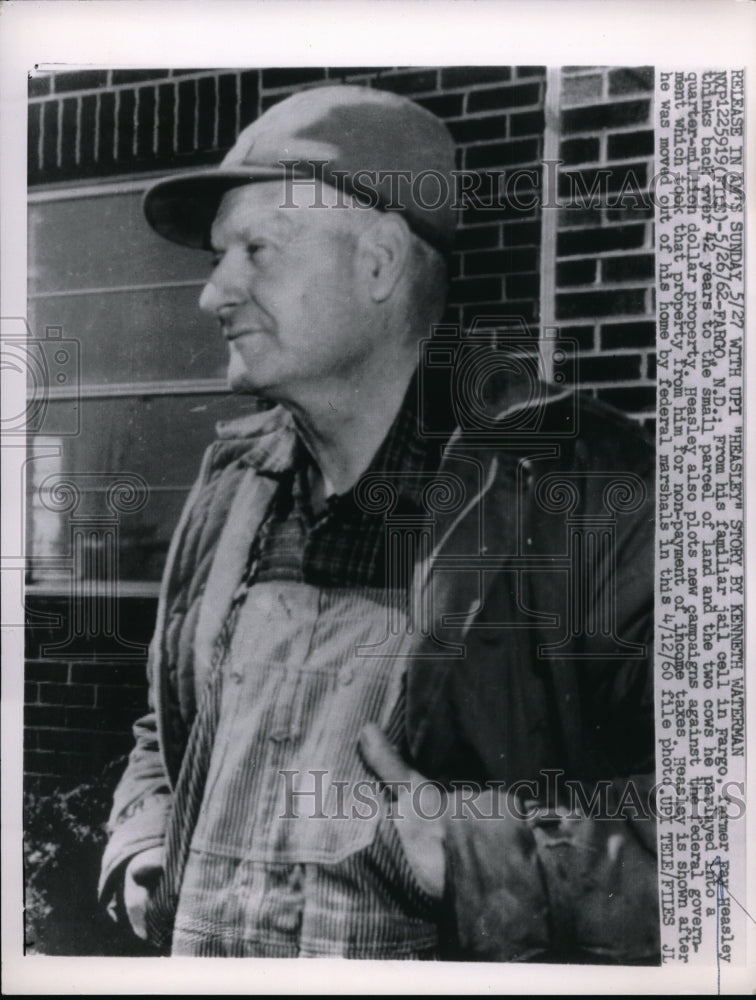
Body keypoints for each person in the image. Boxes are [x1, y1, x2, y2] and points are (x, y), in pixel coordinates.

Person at [99, 84, 659, 962]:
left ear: (379, 263)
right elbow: (168, 718)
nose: (214, 294)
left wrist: (487, 858)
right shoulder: (231, 480)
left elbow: (722, 830)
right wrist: (145, 835)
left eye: (256, 250)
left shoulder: (585, 492)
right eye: (219, 257)